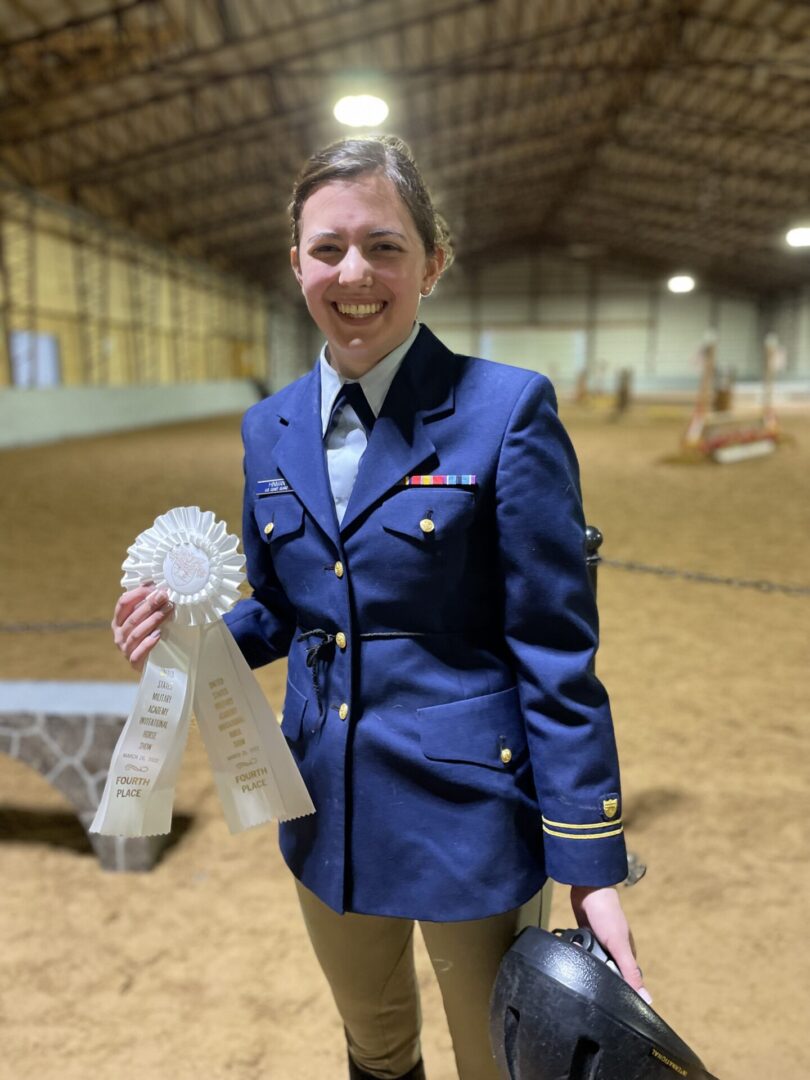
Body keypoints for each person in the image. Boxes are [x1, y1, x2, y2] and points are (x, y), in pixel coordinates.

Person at [112, 135, 647, 1080]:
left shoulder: (507, 411)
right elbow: (283, 606)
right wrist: (187, 639)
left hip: (471, 816)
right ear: (296, 264)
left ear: (431, 263)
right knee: (375, 1044)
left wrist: (589, 856)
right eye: (328, 249)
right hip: (323, 812)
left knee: (496, 1059)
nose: (354, 273)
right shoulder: (267, 426)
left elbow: (555, 652)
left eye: (385, 246)